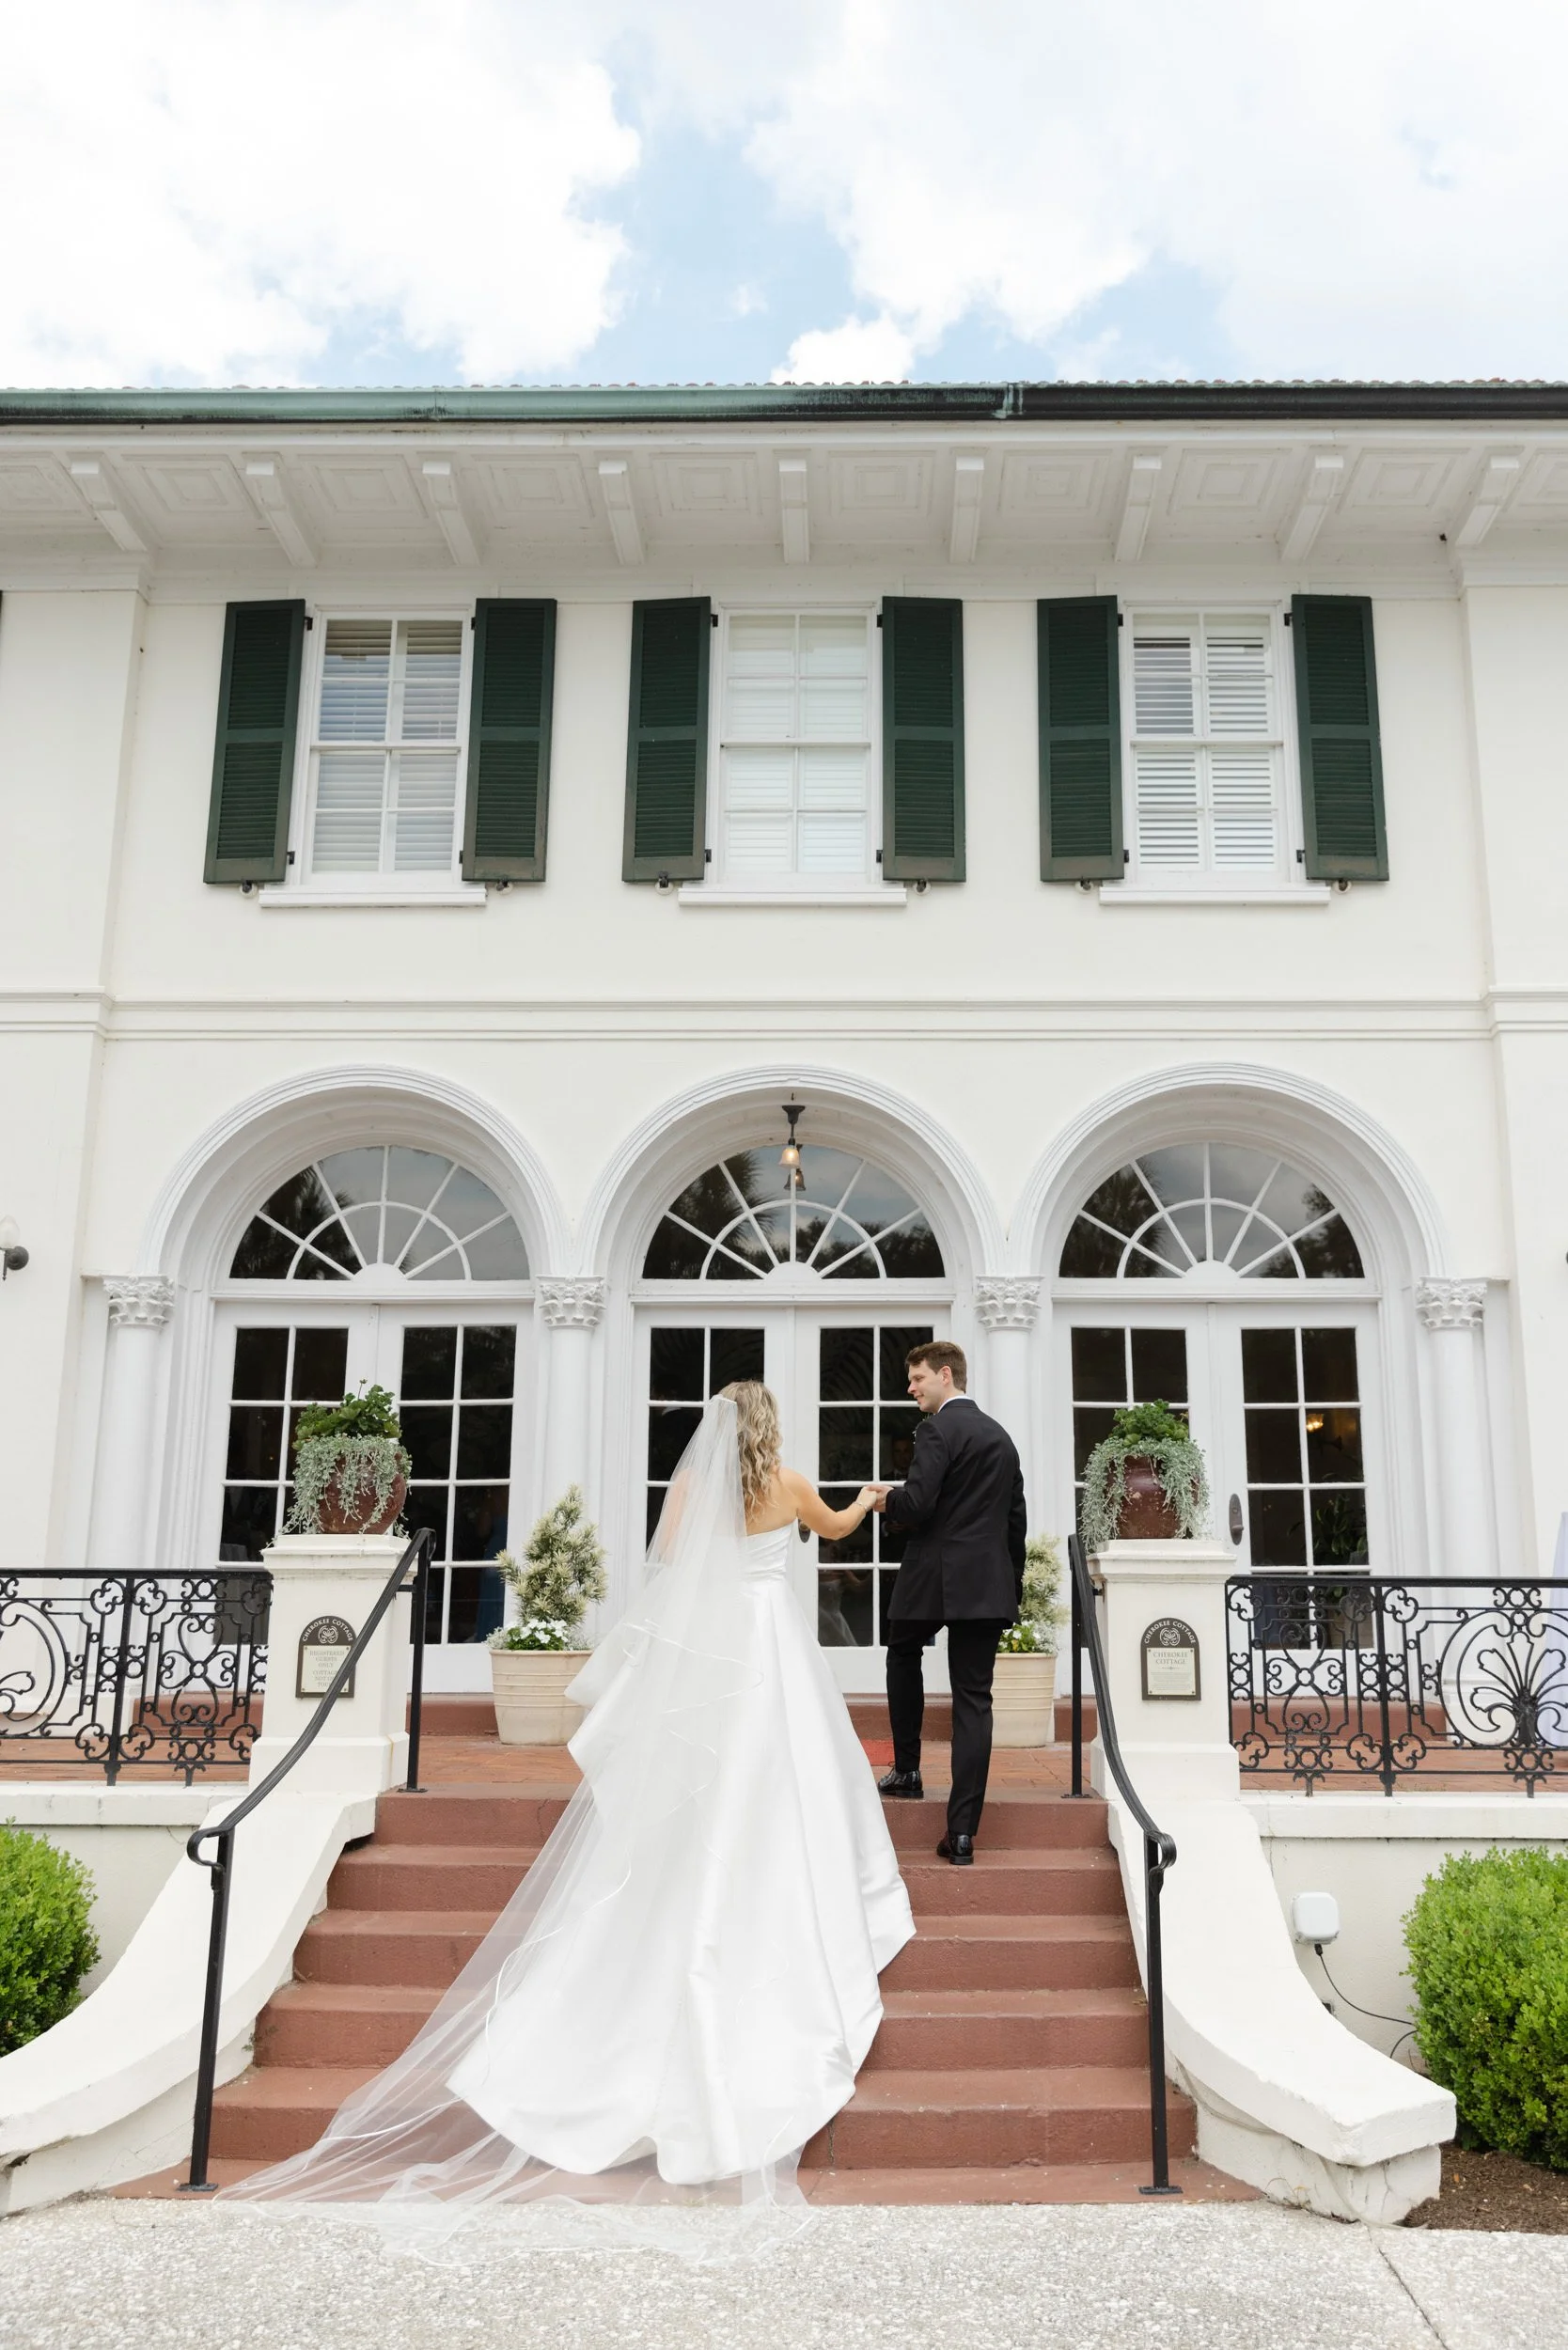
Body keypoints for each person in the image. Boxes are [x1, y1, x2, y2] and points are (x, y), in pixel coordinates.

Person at [224, 1385, 913, 2259]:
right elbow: (842, 1531)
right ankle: (792, 1892)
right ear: (770, 1426)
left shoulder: (697, 1491)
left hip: (714, 1651)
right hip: (772, 1646)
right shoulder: (790, 1481)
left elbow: (668, 1559)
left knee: (707, 1781)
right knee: (789, 1771)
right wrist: (869, 1499)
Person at [870, 1340, 1027, 1867]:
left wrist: (884, 1499)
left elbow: (918, 1504)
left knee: (901, 1652)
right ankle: (962, 1833)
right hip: (985, 1581)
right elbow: (1014, 1523)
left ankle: (908, 1770)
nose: (910, 1388)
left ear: (944, 1374)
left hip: (931, 1575)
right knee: (973, 1699)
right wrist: (1012, 1586)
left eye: (916, 1379)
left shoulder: (935, 1429)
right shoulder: (1001, 1437)